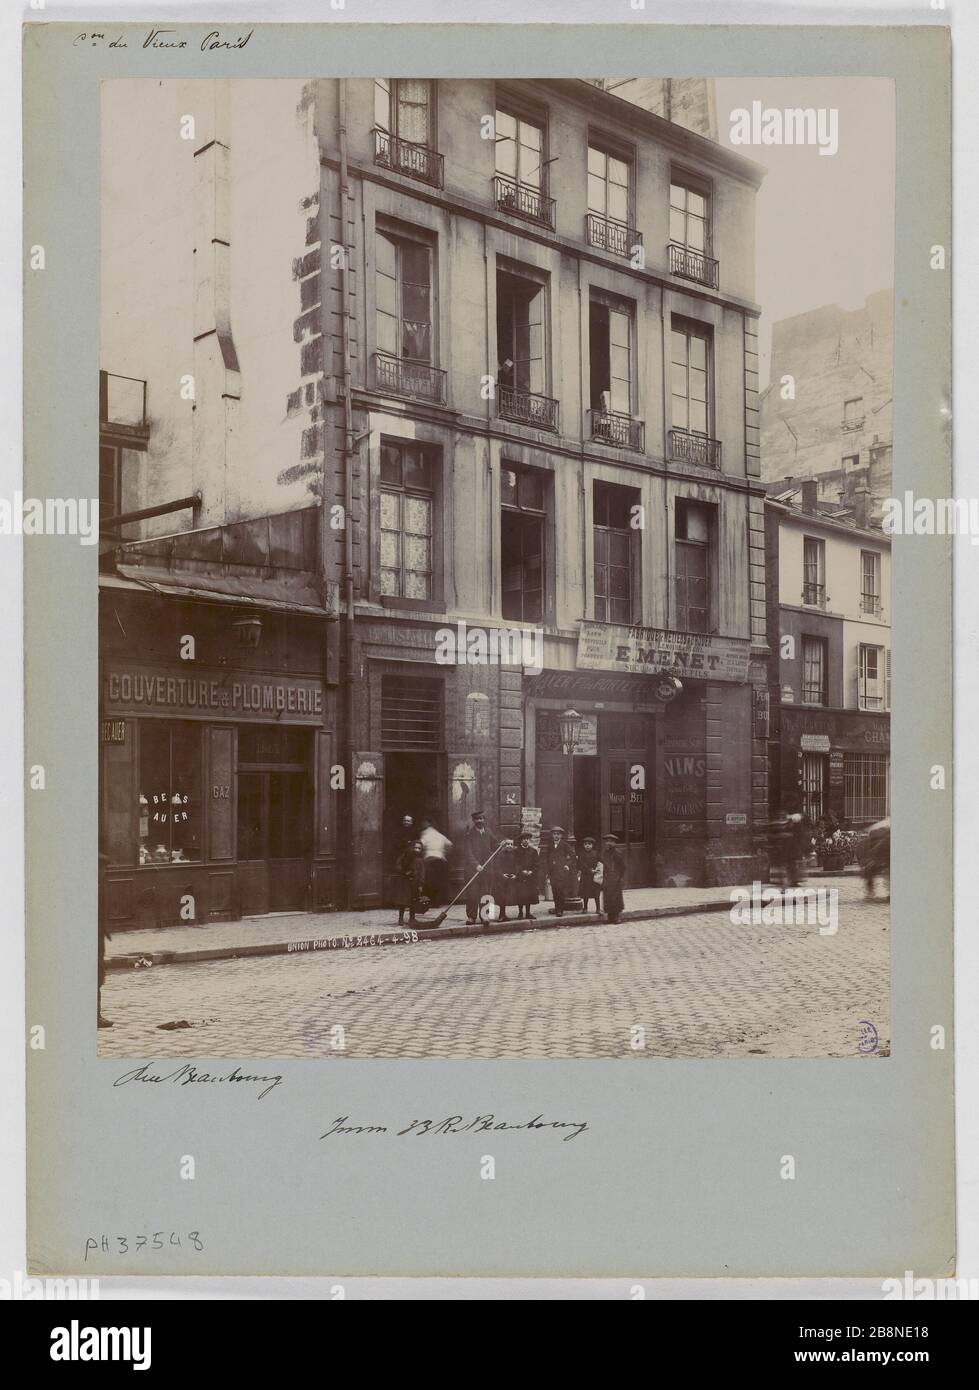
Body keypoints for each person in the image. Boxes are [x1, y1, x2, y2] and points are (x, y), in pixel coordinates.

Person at [461, 811, 500, 924]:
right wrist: (476, 865)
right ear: (473, 821)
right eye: (477, 819)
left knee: (487, 893)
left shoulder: (488, 832)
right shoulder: (469, 835)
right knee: (472, 894)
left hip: (487, 869)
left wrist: (501, 845)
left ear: (484, 820)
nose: (479, 821)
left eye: (481, 819)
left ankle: (486, 916)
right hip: (473, 870)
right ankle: (471, 917)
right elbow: (468, 853)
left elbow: (495, 845)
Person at [419, 817, 452, 905]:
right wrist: (444, 853)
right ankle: (437, 902)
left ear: (427, 823)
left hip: (429, 860)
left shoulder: (424, 834)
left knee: (428, 882)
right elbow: (449, 844)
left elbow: (420, 845)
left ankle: (429, 902)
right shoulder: (439, 834)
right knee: (437, 881)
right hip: (440, 859)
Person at [394, 838, 426, 925]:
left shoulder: (420, 860)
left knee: (414, 900)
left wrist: (421, 884)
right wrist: (404, 872)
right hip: (405, 881)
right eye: (415, 847)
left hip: (415, 883)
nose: (417, 850)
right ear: (411, 847)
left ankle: (412, 918)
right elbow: (397, 865)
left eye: (419, 848)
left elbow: (422, 873)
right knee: (403, 901)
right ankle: (400, 919)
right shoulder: (405, 856)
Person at [547, 826, 578, 917]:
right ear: (552, 835)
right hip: (553, 871)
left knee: (560, 890)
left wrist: (567, 864)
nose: (556, 836)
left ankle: (560, 910)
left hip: (561, 871)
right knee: (555, 890)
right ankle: (557, 907)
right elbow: (547, 857)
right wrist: (548, 870)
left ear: (561, 836)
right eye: (554, 834)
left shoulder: (564, 845)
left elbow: (573, 856)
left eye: (558, 834)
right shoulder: (550, 845)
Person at [514, 831, 540, 920]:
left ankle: (528, 913)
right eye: (524, 839)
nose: (526, 841)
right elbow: (516, 863)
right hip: (520, 877)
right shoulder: (516, 851)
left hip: (530, 877)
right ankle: (520, 912)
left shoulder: (533, 851)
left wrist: (532, 871)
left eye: (527, 839)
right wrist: (521, 871)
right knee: (520, 895)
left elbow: (536, 863)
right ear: (521, 840)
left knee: (529, 895)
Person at [601, 833, 627, 923]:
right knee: (607, 897)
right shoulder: (605, 853)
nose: (608, 843)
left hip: (615, 878)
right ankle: (610, 917)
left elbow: (623, 867)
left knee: (615, 897)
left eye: (611, 841)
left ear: (615, 843)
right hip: (607, 877)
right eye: (607, 841)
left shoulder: (618, 853)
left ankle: (616, 917)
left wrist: (619, 877)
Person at [577, 834, 603, 913]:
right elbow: (581, 864)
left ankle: (598, 908)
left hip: (595, 876)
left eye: (589, 844)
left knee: (596, 893)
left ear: (592, 845)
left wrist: (599, 869)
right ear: (583, 845)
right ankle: (585, 908)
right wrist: (589, 870)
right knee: (585, 893)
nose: (587, 846)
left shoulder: (596, 853)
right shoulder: (581, 854)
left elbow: (601, 861)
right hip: (586, 876)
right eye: (585, 844)